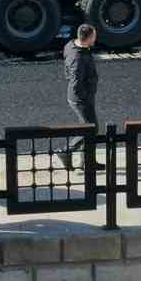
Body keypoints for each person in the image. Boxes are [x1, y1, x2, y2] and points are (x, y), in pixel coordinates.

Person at [59, 24, 98, 172]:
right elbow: (76, 81)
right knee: (90, 129)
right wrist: (85, 97)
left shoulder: (72, 46)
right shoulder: (78, 57)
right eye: (94, 36)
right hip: (81, 99)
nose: (96, 38)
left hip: (82, 97)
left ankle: (87, 161)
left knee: (89, 127)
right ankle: (66, 151)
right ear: (88, 38)